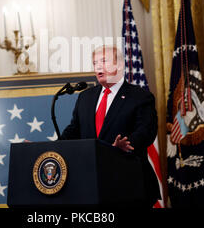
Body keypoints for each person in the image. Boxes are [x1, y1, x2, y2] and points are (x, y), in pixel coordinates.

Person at [61, 45, 160, 207]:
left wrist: (127, 144)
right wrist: (50, 149)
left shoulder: (140, 96)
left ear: (119, 65)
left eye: (104, 61)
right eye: (95, 63)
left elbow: (146, 130)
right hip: (91, 185)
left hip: (129, 183)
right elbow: (74, 130)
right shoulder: (86, 97)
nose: (98, 66)